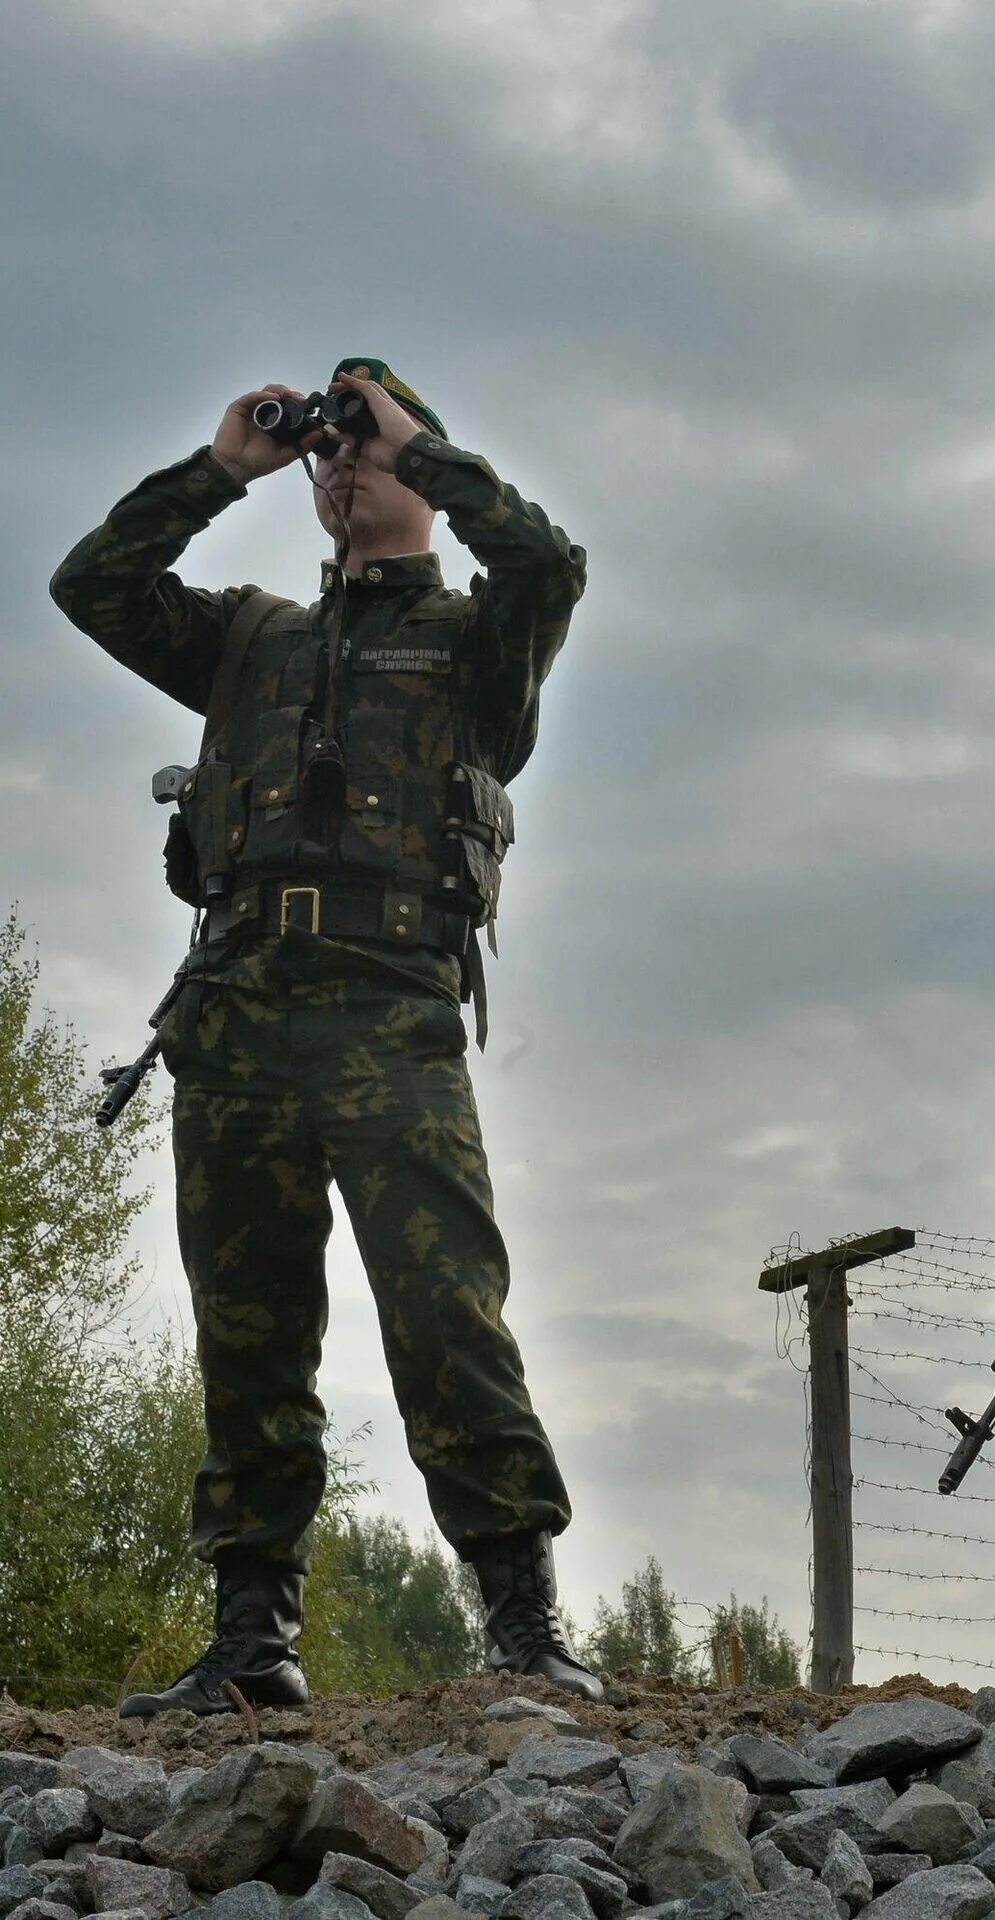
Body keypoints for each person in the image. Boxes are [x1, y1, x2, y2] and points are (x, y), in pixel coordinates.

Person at [50, 361, 602, 1713]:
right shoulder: (251, 638)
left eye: (369, 444)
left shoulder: (477, 641)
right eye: (332, 449)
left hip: (388, 1006)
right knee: (247, 1328)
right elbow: (93, 586)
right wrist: (222, 468)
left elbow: (550, 562)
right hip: (237, 1007)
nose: (344, 464)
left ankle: (521, 1623)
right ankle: (251, 1640)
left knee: (443, 1304)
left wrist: (431, 454)